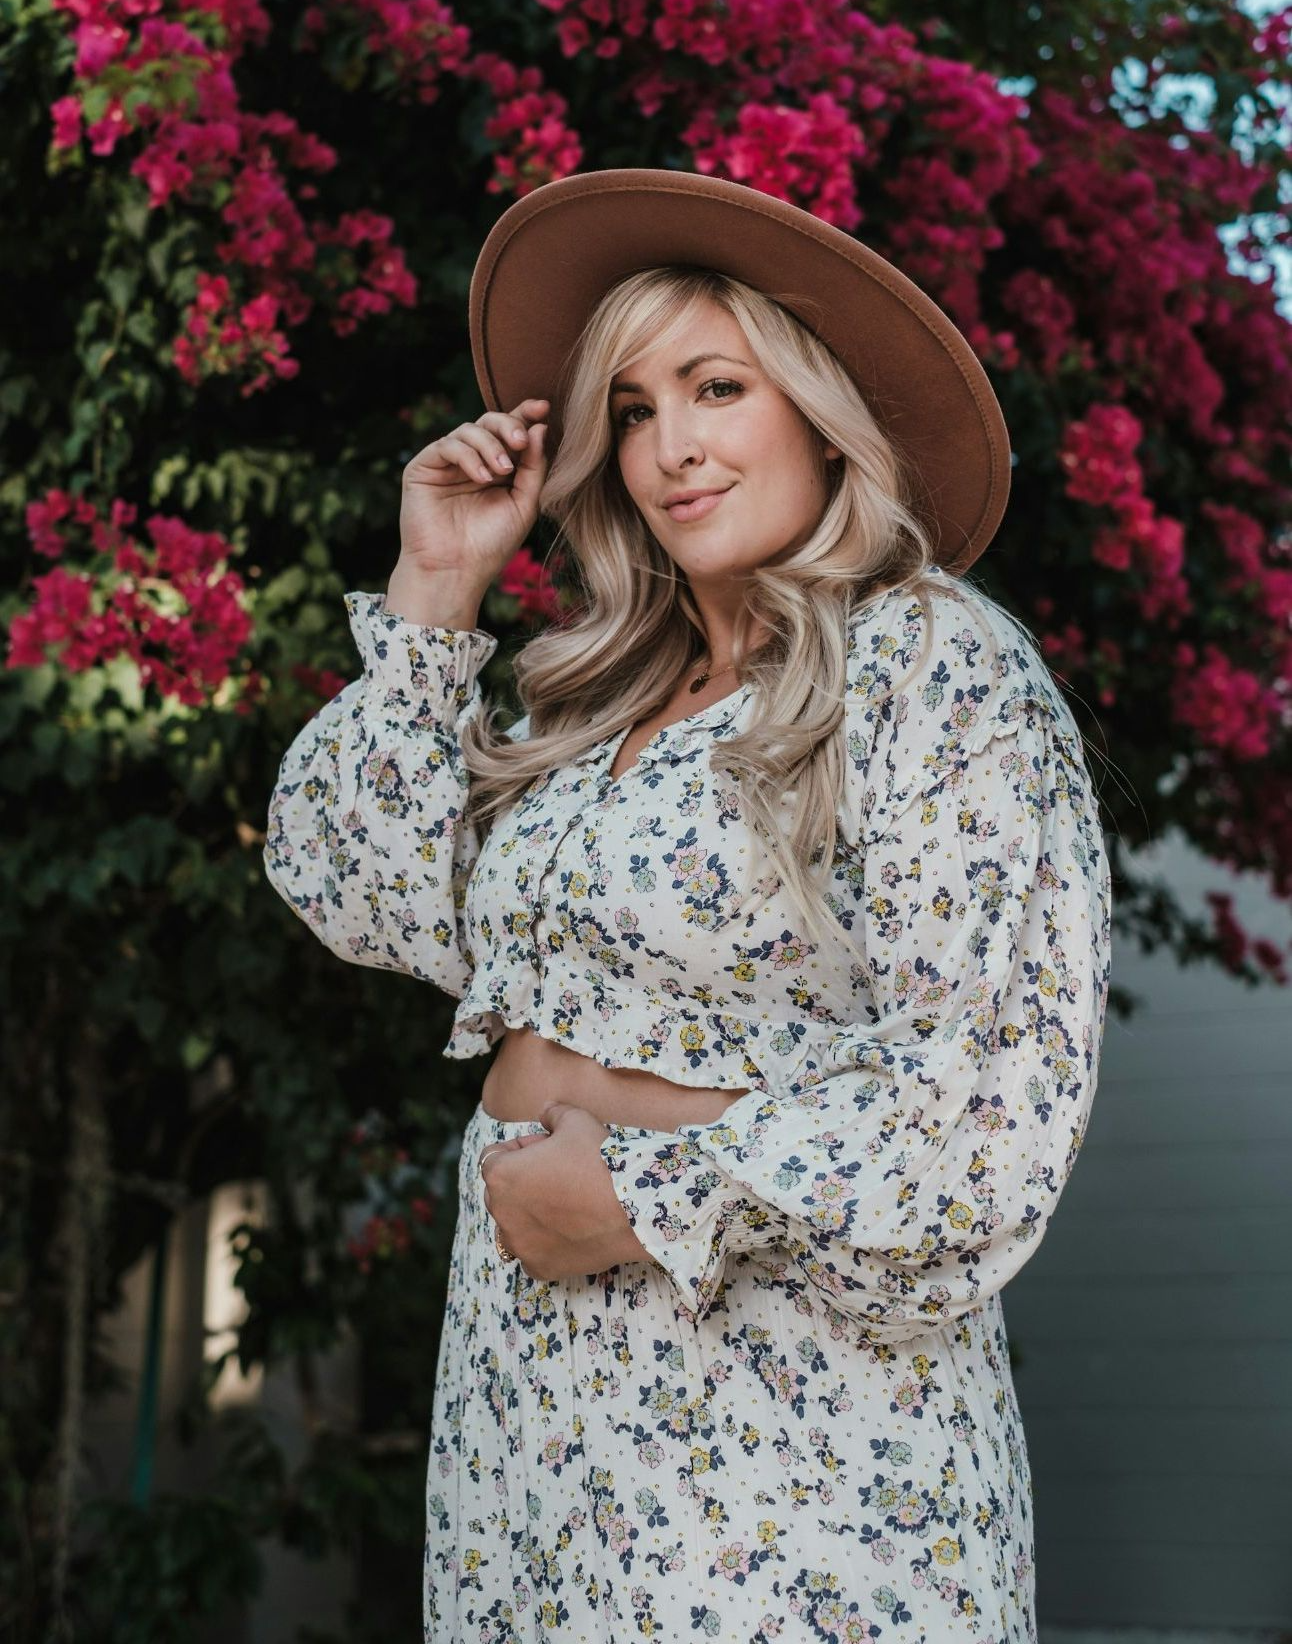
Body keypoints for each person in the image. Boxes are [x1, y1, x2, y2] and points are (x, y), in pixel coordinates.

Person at [263, 169, 1112, 1643]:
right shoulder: (583, 696)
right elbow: (353, 889)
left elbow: (990, 1102)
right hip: (535, 1407)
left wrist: (640, 1199)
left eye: (715, 387)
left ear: (816, 406)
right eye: (636, 409)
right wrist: (433, 589)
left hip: (793, 1420)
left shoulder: (929, 659)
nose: (670, 448)